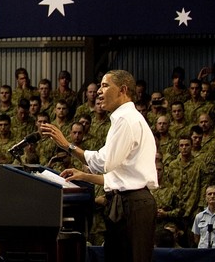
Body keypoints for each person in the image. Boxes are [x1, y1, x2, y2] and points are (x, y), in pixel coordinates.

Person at [40, 70, 158, 262]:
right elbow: (121, 175)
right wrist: (83, 176)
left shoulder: (125, 120)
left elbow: (104, 163)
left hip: (131, 206)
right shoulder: (128, 118)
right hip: (130, 203)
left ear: (123, 90)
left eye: (105, 86)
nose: (99, 92)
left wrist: (68, 146)